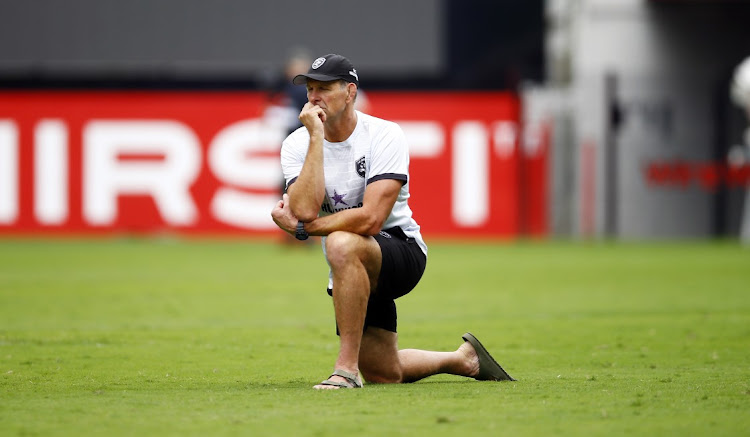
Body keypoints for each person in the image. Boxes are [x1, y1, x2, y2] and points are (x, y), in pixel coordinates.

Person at [271, 53, 514, 389]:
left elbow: (370, 220)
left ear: (350, 92)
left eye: (325, 88)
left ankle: (344, 370)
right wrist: (315, 139)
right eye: (311, 88)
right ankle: (463, 359)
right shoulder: (298, 143)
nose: (314, 96)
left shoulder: (384, 134)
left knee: (341, 242)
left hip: (400, 250)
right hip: (350, 267)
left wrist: (303, 230)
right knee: (384, 373)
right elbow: (306, 208)